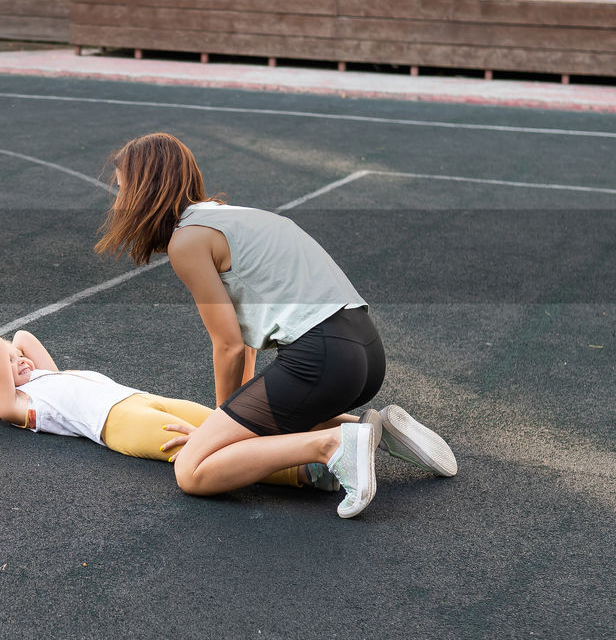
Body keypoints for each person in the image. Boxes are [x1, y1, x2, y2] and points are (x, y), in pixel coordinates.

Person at [94, 132, 456, 518]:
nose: (117, 203)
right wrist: (231, 420)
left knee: (192, 471)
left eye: (121, 189)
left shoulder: (188, 241)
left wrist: (220, 431)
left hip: (324, 359)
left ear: (146, 188)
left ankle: (333, 443)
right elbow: (246, 343)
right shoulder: (232, 217)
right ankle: (376, 426)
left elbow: (229, 345)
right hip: (365, 351)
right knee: (264, 423)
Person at [0, 329, 341, 491]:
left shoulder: (47, 375)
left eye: (18, 356)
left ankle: (351, 429)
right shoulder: (19, 406)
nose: (19, 357)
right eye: (10, 364)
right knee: (204, 447)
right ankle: (307, 469)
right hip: (120, 424)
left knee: (235, 422)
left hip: (141, 398)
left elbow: (22, 336)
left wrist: (14, 356)